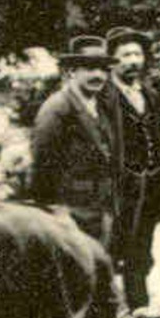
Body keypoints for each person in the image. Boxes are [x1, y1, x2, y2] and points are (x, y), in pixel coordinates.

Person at [100, 27, 160, 309]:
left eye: (137, 54)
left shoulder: (148, 94)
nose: (133, 61)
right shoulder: (105, 97)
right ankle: (111, 309)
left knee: (142, 251)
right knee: (114, 248)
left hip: (150, 184)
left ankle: (140, 307)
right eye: (125, 55)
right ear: (112, 62)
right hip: (122, 188)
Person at [30, 36, 120, 249]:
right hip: (71, 215)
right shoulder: (57, 108)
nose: (98, 75)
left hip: (100, 211)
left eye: (103, 69)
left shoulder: (101, 107)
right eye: (89, 69)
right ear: (71, 71)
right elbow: (42, 166)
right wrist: (53, 212)